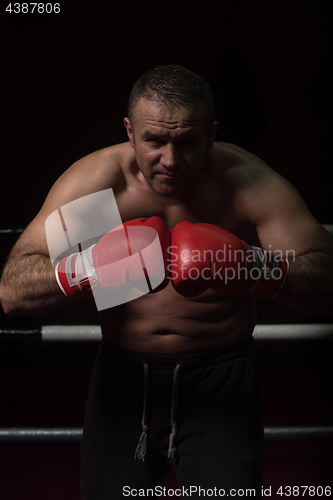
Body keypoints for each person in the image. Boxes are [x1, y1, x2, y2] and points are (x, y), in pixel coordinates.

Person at [1, 65, 332, 500]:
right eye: (154, 140)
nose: (171, 161)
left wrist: (253, 267)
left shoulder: (245, 185)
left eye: (188, 142)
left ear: (212, 134)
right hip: (123, 382)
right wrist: (90, 268)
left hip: (221, 381)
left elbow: (326, 280)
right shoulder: (105, 189)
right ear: (129, 132)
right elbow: (12, 290)